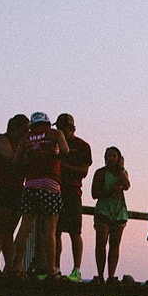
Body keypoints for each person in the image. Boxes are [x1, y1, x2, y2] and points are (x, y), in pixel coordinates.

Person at [11, 112, 69, 278]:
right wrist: (53, 156)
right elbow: (65, 151)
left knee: (25, 227)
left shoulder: (27, 138)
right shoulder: (55, 134)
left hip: (30, 185)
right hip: (50, 184)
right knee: (50, 229)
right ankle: (51, 270)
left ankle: (17, 268)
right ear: (48, 122)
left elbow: (15, 162)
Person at [0, 114, 30, 278]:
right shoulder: (1, 140)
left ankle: (10, 267)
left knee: (10, 230)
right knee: (0, 226)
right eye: (25, 129)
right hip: (0, 186)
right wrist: (24, 147)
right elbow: (12, 159)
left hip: (17, 188)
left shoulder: (22, 145)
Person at [53, 113, 92, 282]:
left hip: (73, 193)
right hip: (55, 191)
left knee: (75, 232)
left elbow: (83, 171)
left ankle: (76, 270)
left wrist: (64, 167)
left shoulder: (83, 146)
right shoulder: (54, 144)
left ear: (72, 129)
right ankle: (55, 269)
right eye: (58, 128)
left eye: (64, 128)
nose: (61, 131)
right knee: (55, 231)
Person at [90, 146, 130, 283]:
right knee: (101, 243)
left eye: (113, 156)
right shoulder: (100, 173)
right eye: (108, 155)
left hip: (119, 212)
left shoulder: (122, 173)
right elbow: (94, 194)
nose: (110, 158)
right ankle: (100, 275)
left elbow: (127, 185)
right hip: (103, 211)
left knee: (115, 245)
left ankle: (111, 276)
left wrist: (121, 169)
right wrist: (110, 191)